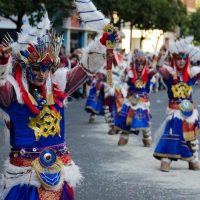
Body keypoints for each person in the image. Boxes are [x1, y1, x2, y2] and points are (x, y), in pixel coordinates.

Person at [0, 13, 120, 199]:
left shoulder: (58, 85)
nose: (43, 75)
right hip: (26, 175)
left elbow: (85, 69)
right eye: (37, 69)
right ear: (24, 68)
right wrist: (2, 64)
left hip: (59, 168)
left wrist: (104, 42)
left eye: (47, 69)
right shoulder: (13, 91)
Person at [153, 39, 200, 172]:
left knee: (191, 135)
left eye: (183, 59)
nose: (181, 61)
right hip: (174, 109)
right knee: (172, 133)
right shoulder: (170, 73)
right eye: (178, 58)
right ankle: (166, 160)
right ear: (174, 59)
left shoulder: (192, 73)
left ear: (187, 60)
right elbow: (159, 68)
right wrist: (161, 55)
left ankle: (193, 160)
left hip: (189, 109)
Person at [114, 50, 156, 146]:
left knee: (144, 117)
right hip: (130, 98)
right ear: (135, 63)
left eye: (142, 64)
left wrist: (160, 58)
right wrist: (123, 85)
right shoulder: (130, 72)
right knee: (126, 117)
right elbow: (124, 83)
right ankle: (124, 136)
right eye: (138, 64)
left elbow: (155, 71)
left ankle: (147, 137)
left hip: (143, 100)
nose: (140, 66)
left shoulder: (148, 73)